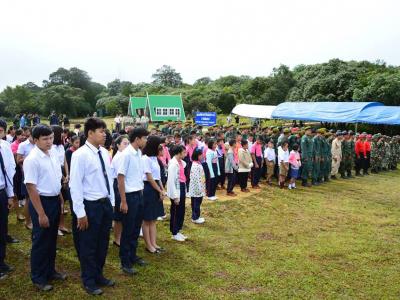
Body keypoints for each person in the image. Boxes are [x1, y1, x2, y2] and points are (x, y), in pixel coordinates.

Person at [69, 117, 115, 295]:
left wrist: (112, 202)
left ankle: (98, 274)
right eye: (101, 131)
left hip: (104, 204)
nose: (105, 134)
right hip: (90, 205)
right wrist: (80, 213)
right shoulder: (79, 155)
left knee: (102, 242)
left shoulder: (103, 152)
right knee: (88, 244)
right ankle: (88, 280)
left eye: (105, 131)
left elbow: (108, 179)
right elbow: (75, 185)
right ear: (90, 133)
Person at [23, 124, 66, 291]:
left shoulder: (52, 152)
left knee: (51, 239)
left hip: (54, 199)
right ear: (35, 140)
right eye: (45, 139)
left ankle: (50, 271)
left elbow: (56, 177)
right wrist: (41, 213)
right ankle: (38, 277)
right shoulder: (32, 159)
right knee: (41, 241)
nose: (49, 141)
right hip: (42, 202)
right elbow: (31, 187)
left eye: (51, 138)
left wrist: (60, 197)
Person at [117, 127, 149, 276]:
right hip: (129, 196)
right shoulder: (126, 155)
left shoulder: (138, 153)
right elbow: (120, 178)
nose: (146, 141)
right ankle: (125, 261)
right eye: (144, 138)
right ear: (137, 139)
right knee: (128, 229)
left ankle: (132, 255)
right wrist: (123, 201)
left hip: (139, 194)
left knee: (136, 228)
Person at [141, 135, 165, 253]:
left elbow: (158, 176)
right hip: (149, 188)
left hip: (156, 187)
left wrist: (162, 189)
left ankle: (154, 243)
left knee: (153, 218)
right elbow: (149, 177)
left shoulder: (155, 158)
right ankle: (148, 245)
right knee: (147, 219)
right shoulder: (145, 158)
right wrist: (159, 190)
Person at [0, 119, 16, 280]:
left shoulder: (5, 146)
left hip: (2, 191)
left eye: (0, 130)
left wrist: (10, 194)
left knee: (2, 228)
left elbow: (10, 171)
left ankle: (1, 261)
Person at [110, 135, 129, 247]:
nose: (127, 146)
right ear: (118, 145)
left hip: (122, 185)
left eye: (128, 143)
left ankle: (120, 237)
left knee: (122, 216)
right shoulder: (120, 156)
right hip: (118, 186)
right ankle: (117, 239)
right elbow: (120, 176)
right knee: (118, 216)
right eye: (124, 143)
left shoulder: (124, 156)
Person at [167, 145, 187, 242]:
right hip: (176, 189)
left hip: (182, 187)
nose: (185, 154)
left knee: (181, 211)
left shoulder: (181, 162)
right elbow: (171, 181)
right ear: (178, 153)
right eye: (184, 152)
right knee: (175, 211)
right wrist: (175, 196)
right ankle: (174, 232)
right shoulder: (173, 164)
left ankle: (178, 230)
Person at [17, 127, 35, 230]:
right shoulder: (23, 145)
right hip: (27, 174)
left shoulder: (38, 144)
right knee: (28, 199)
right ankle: (28, 222)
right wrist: (28, 159)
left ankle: (35, 219)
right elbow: (18, 160)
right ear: (30, 135)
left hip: (38, 175)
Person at [188, 149, 206, 224]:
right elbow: (196, 179)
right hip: (197, 189)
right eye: (201, 155)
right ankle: (195, 217)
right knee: (196, 203)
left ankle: (195, 216)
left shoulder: (197, 163)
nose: (203, 156)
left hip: (198, 187)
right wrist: (200, 189)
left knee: (196, 203)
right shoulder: (195, 165)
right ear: (198, 156)